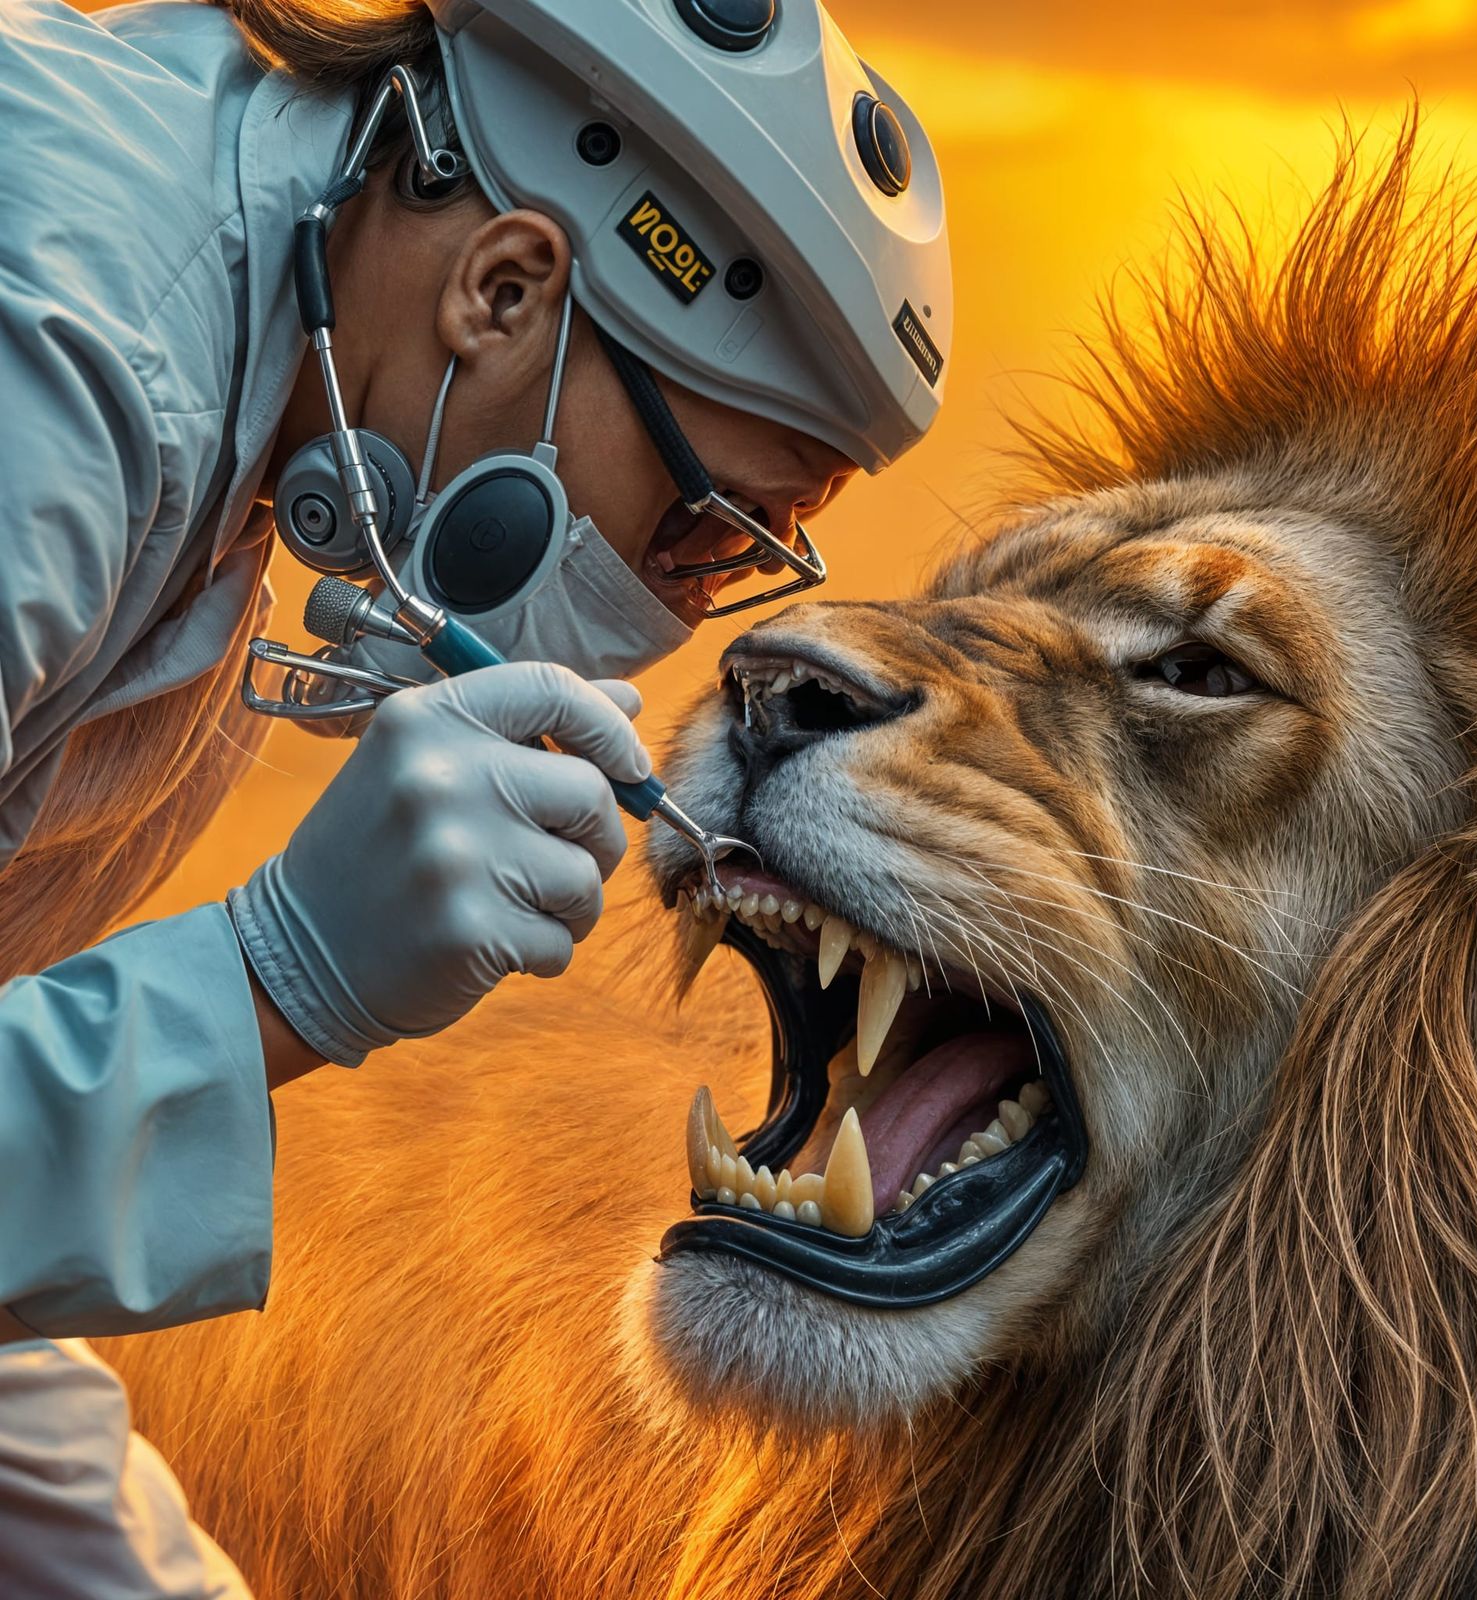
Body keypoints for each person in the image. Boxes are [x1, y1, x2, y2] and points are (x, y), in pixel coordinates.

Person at [0, 0, 950, 1589]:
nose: (672, 617)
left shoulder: (261, 422)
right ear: (503, 292)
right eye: (701, 533)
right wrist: (274, 982)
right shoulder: (59, 361)